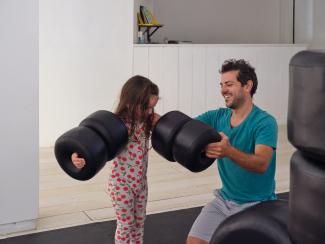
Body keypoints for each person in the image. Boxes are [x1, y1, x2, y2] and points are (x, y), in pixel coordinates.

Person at [187, 59, 278, 244]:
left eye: (229, 84)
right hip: (223, 201)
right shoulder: (217, 116)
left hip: (256, 205)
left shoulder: (265, 122)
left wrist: (228, 151)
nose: (223, 90)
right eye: (221, 85)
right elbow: (186, 128)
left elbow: (261, 164)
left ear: (247, 86)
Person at [71, 75, 160, 244]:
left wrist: (161, 122)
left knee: (139, 223)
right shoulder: (117, 125)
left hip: (140, 184)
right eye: (146, 108)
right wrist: (76, 155)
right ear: (130, 103)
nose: (150, 112)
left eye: (152, 108)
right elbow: (90, 141)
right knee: (126, 224)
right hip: (121, 185)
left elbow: (165, 126)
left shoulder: (147, 121)